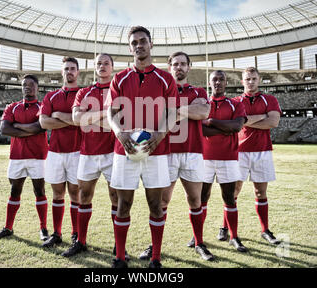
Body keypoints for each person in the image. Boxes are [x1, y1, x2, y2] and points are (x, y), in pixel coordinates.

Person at [106, 26, 178, 268]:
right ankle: (119, 258)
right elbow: (111, 112)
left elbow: (172, 112)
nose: (139, 45)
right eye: (134, 42)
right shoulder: (119, 78)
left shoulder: (165, 78)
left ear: (151, 44)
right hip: (125, 151)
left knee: (156, 205)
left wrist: (159, 135)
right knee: (123, 204)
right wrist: (120, 132)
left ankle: (156, 258)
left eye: (143, 41)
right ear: (130, 48)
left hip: (155, 151)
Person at [138, 51, 213, 261]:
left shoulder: (198, 90)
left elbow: (203, 113)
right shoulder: (162, 91)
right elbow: (156, 115)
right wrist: (187, 110)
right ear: (169, 67)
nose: (179, 67)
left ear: (189, 67)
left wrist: (175, 110)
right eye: (175, 64)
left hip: (193, 152)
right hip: (166, 152)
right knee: (161, 201)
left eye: (183, 64)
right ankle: (155, 247)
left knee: (195, 199)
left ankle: (199, 242)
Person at [61, 53, 128, 260]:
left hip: (112, 152)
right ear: (94, 67)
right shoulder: (84, 91)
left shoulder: (119, 91)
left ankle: (119, 246)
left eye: (106, 63)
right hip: (88, 153)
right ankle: (80, 241)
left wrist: (90, 118)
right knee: (84, 196)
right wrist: (104, 114)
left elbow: (118, 123)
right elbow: (76, 118)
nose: (102, 66)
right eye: (98, 63)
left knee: (116, 197)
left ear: (112, 67)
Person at [0, 74, 49, 242]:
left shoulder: (42, 106)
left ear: (37, 88)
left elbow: (40, 127)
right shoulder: (12, 107)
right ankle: (8, 228)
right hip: (17, 157)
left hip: (38, 156)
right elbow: (4, 129)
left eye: (31, 84)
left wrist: (17, 126)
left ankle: (43, 228)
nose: (27, 87)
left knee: (40, 191)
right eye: (24, 84)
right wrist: (29, 129)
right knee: (14, 191)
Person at [230, 66, 282, 245]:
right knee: (233, 192)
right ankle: (227, 229)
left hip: (263, 151)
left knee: (260, 192)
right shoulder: (235, 102)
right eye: (247, 79)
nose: (250, 82)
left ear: (259, 80)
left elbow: (273, 122)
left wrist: (246, 120)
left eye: (254, 78)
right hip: (239, 152)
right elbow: (236, 125)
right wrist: (261, 117)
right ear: (242, 81)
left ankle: (265, 230)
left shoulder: (270, 99)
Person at [201, 70, 248, 253]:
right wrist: (225, 128)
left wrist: (212, 121)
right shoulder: (204, 104)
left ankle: (234, 237)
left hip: (228, 157)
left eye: (221, 79)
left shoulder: (235, 104)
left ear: (226, 83)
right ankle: (198, 237)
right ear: (210, 82)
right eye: (215, 79)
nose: (218, 82)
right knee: (202, 198)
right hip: (204, 157)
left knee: (229, 198)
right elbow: (200, 131)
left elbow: (237, 126)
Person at [39, 57, 82, 248]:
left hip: (78, 151)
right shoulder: (51, 96)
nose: (69, 72)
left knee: (75, 194)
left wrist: (59, 116)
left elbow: (83, 120)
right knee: (57, 194)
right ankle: (56, 233)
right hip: (55, 152)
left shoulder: (84, 94)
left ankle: (76, 233)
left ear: (78, 72)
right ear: (62, 72)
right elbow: (43, 123)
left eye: (73, 68)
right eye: (66, 69)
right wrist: (71, 120)